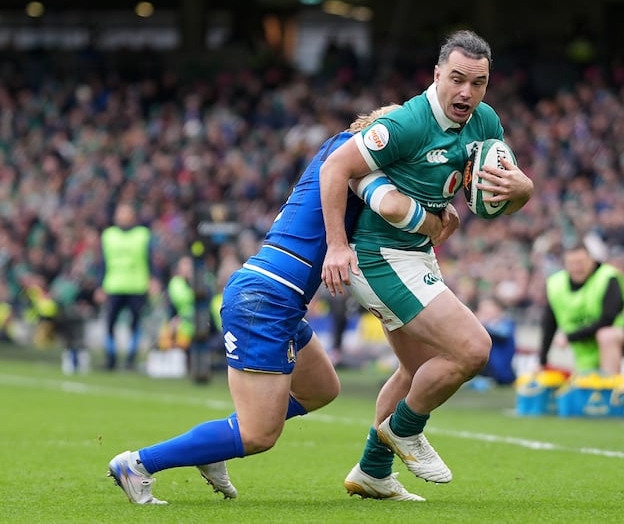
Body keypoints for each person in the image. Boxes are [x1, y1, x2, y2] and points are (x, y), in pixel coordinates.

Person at [106, 105, 450, 505]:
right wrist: (438, 216)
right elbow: (392, 208)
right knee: (258, 436)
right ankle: (138, 464)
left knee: (322, 387)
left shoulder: (342, 155)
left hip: (276, 297)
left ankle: (213, 447)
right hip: (265, 298)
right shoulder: (352, 159)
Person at [319, 30, 533, 500]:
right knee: (473, 349)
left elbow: (493, 200)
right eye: (457, 80)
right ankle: (405, 430)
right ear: (437, 75)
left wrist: (523, 192)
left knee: (417, 372)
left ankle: (373, 472)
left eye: (478, 83)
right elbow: (335, 167)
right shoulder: (407, 123)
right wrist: (337, 246)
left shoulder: (485, 122)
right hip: (379, 256)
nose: (466, 93)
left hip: (416, 255)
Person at [538, 238, 624, 375]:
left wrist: (570, 337)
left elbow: (608, 319)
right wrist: (542, 360)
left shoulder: (608, 277)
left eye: (580, 263)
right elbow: (549, 322)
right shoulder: (556, 285)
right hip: (587, 353)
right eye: (571, 263)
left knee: (606, 335)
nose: (577, 268)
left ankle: (608, 389)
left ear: (591, 260)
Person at [97, 203, 154, 370]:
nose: (122, 216)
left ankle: (131, 359)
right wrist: (100, 285)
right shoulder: (108, 235)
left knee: (135, 324)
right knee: (110, 323)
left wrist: (153, 279)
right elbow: (102, 263)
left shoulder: (142, 235)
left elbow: (150, 260)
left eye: (126, 213)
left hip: (137, 285)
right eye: (120, 213)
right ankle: (111, 358)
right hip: (113, 285)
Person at [474, 296, 517, 386]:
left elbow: (502, 334)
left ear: (497, 310)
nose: (486, 313)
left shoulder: (507, 323)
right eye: (483, 310)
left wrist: (481, 323)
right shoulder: (479, 327)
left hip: (501, 373)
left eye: (488, 310)